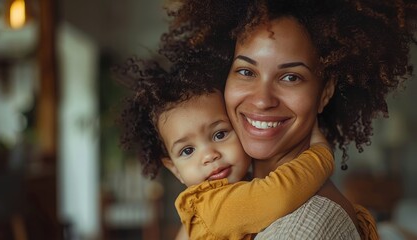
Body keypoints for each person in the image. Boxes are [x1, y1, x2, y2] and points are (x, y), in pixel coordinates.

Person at [157, 0, 417, 239]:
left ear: (325, 91)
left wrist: (321, 157)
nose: (262, 100)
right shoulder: (231, 195)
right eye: (246, 71)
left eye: (291, 77)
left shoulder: (305, 228)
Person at [116, 56, 336, 239]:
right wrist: (321, 154)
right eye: (187, 151)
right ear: (174, 169)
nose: (209, 155)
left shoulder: (245, 187)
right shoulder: (209, 205)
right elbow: (281, 195)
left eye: (220, 134)